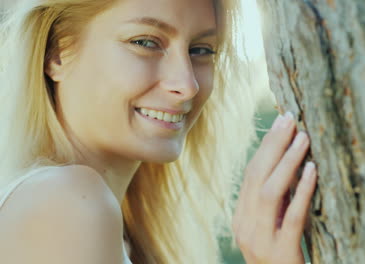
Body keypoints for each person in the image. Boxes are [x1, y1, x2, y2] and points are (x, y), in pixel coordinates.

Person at [0, 0, 318, 263]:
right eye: (145, 42)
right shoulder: (65, 202)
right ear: (57, 52)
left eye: (202, 50)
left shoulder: (114, 224)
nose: (187, 85)